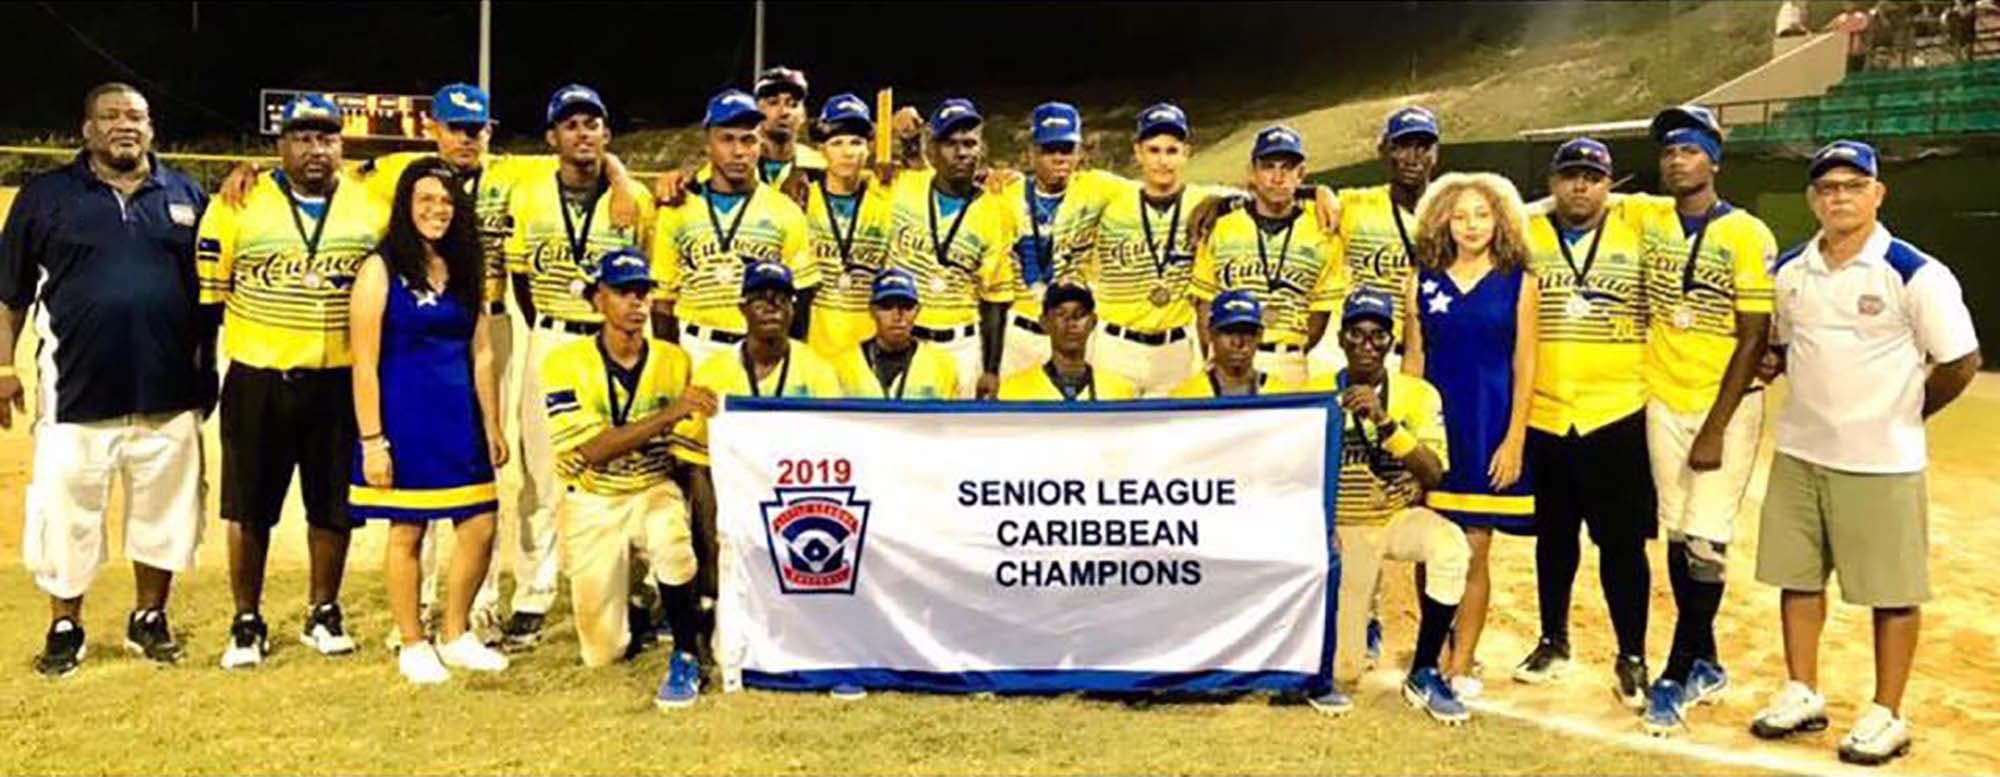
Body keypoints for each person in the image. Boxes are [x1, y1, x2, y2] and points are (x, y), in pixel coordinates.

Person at [1749, 141, 1981, 766]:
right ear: (1812, 200)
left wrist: (1906, 413)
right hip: (1800, 450)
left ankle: (1886, 711)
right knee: (1797, 578)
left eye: (1853, 186)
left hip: (1882, 460)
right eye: (1827, 189)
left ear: (1878, 194)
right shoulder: (1792, 269)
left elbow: (1961, 362)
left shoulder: (1914, 272)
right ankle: (1802, 690)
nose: (1839, 197)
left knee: (1892, 590)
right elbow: (1783, 348)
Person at [0, 83, 213, 677]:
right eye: (111, 116)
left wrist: (205, 372)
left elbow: (210, 295)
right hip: (76, 392)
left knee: (165, 515)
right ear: (87, 130)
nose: (125, 125)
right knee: (67, 514)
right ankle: (64, 624)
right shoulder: (47, 197)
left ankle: (151, 618)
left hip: (168, 390)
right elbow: (9, 294)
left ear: (152, 128)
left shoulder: (186, 194)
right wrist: (2, 369)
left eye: (137, 117)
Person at [196, 94, 390, 669]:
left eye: (327, 138)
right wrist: (207, 371)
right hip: (259, 375)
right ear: (280, 145)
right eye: (303, 138)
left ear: (342, 145)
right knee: (249, 507)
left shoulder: (369, 207)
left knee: (333, 506)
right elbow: (210, 299)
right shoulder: (238, 202)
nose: (316, 149)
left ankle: (323, 610)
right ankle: (246, 620)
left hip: (338, 379)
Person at [1615, 106, 1778, 725]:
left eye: (1690, 150)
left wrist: (1714, 425)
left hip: (1724, 408)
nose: (1676, 160)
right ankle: (1705, 659)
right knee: (1680, 535)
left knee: (1706, 539)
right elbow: (1562, 206)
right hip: (1663, 396)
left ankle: (1678, 670)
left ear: (1714, 158)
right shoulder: (1649, 216)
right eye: (1669, 152)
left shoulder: (1747, 233)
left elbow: (1754, 336)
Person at [499, 84, 655, 650]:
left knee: (631, 466)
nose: (582, 133)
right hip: (555, 335)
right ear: (552, 137)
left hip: (618, 342)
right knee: (541, 471)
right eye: (570, 124)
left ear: (607, 135)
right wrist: (553, 327)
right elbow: (521, 278)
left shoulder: (633, 195)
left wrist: (618, 177)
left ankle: (636, 591)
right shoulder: (528, 194)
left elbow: (649, 273)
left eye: (592, 123)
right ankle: (533, 594)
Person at [347, 158, 512, 684]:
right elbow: (364, 361)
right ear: (405, 206)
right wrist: (373, 440)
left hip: (458, 412)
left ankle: (456, 632)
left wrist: (492, 424)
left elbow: (482, 352)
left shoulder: (466, 265)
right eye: (426, 201)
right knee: (408, 529)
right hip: (404, 414)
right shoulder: (381, 267)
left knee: (481, 524)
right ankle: (413, 641)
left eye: (446, 201)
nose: (437, 211)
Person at [1511, 141, 1657, 717]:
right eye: (1570, 176)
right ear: (1553, 181)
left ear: (1609, 184)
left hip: (1617, 412)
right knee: (1554, 537)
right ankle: (1553, 640)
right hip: (1546, 411)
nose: (1580, 187)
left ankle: (1632, 654)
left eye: (1592, 177)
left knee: (1621, 544)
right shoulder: (1525, 235)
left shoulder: (1641, 230)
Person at [538, 248, 716, 709]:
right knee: (603, 653)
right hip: (595, 498)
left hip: (651, 486)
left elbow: (686, 448)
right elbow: (592, 451)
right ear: (599, 299)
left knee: (671, 538)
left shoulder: (674, 359)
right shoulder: (563, 362)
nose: (636, 303)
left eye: (642, 292)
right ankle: (638, 603)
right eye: (623, 293)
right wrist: (669, 415)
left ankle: (685, 649)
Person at [1402, 171, 1538, 701]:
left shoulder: (1519, 282)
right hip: (1437, 431)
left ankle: (1462, 661)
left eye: (1482, 214)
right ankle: (1433, 653)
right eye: (1460, 215)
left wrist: (1515, 439)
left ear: (1500, 219)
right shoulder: (1421, 280)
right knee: (1433, 545)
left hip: (1488, 426)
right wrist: (1408, 436)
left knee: (1477, 550)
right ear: (1443, 221)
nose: (1472, 225)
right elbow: (1413, 361)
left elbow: (1525, 366)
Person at [1323, 289, 1473, 725]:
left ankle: (1424, 669)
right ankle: (1351, 631)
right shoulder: (1315, 392)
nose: (1367, 345)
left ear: (1391, 342)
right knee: (1344, 671)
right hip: (1344, 526)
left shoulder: (1418, 394)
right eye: (1357, 334)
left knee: (1450, 546)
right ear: (1341, 339)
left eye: (1377, 336)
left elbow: (1433, 473)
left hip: (1394, 517)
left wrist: (1386, 422)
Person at [653, 89, 817, 370]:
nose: (739, 152)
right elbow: (663, 300)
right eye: (727, 139)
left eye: (748, 140)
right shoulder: (677, 207)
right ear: (709, 144)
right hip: (695, 346)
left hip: (761, 351)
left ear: (760, 143)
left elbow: (799, 297)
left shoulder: (785, 210)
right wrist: (669, 364)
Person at [1087, 104, 1237, 397]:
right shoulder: (1111, 200)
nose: (1163, 161)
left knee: (1171, 437)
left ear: (1186, 153)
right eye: (1153, 150)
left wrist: (1316, 193)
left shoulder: (1203, 201)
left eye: (1171, 150)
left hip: (1176, 347)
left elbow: (1263, 197)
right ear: (1138, 152)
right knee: (1113, 435)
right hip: (1116, 345)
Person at [1190, 125, 1345, 387]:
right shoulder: (1221, 226)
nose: (1277, 177)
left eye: (1287, 168)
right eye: (1269, 167)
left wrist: (1295, 349)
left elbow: (1319, 313)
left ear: (1301, 174)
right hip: (1229, 359)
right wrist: (1213, 353)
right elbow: (1205, 302)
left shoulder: (1322, 231)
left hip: (1288, 359)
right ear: (1253, 172)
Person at [886, 99, 1015, 399]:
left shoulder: (995, 211)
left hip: (962, 345)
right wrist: (905, 139)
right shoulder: (904, 187)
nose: (961, 153)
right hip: (907, 336)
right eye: (950, 143)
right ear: (933, 148)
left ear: (981, 149)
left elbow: (994, 299)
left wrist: (992, 369)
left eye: (970, 143)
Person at [1312, 106, 1442, 383]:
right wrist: (1314, 191)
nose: (1413, 157)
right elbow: (1280, 200)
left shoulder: (1453, 211)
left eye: (1423, 147)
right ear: (1383, 150)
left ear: (1435, 153)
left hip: (1434, 353)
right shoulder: (1355, 205)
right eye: (1402, 147)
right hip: (1366, 353)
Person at [994, 102, 1122, 378]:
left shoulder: (1098, 188)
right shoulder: (1006, 193)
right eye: (1049, 150)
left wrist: (1226, 201)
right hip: (1021, 335)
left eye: (1066, 149)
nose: (1059, 158)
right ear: (1031, 153)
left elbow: (1158, 190)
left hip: (1076, 333)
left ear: (1078, 152)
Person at [803, 94, 898, 360]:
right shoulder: (800, 199)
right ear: (821, 149)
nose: (847, 152)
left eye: (856, 142)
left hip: (867, 350)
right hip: (814, 347)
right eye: (837, 143)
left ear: (869, 148)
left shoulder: (886, 202)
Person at [832, 268, 961, 399]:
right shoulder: (843, 364)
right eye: (887, 306)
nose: (897, 316)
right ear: (872, 311)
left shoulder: (942, 366)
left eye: (906, 306)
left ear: (917, 310)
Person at [996, 281, 1136, 401]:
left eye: (1080, 314)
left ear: (1093, 322)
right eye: (1060, 314)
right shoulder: (1013, 391)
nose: (1071, 323)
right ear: (1044, 322)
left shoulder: (1119, 391)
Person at [1167, 290, 1298, 398]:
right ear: (1211, 334)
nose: (1238, 343)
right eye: (1228, 332)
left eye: (1246, 332)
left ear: (1259, 336)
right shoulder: (1186, 398)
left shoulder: (1282, 396)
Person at [751, 66, 827, 188]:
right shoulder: (739, 163)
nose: (784, 112)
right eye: (773, 102)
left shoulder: (822, 167)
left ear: (803, 114)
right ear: (756, 112)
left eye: (793, 104)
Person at [1828, 2, 1873, 72]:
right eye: (1845, 4)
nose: (1847, 6)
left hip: (1858, 49)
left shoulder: (1861, 16)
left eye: (1849, 3)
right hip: (1844, 50)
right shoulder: (1840, 18)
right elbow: (1829, 28)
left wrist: (1845, 28)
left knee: (1858, 69)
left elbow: (1862, 27)